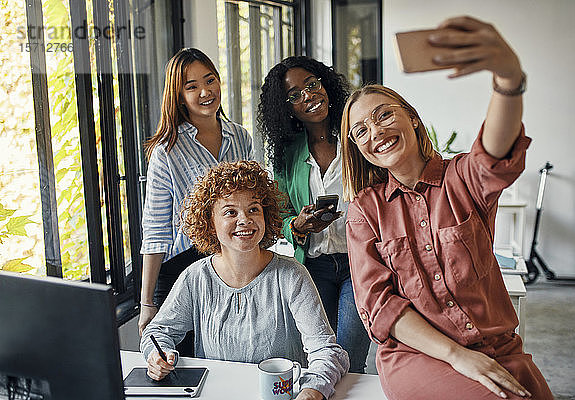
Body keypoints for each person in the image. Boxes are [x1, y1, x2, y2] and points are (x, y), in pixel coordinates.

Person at [340, 16, 553, 400]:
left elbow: (495, 152)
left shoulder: (462, 179)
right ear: (358, 149)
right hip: (419, 356)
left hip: (498, 347)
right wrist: (458, 356)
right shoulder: (365, 212)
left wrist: (508, 79)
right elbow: (381, 306)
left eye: (384, 115)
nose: (376, 132)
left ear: (413, 120)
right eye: (361, 131)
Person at [141, 161, 349, 400]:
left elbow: (327, 351)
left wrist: (312, 392)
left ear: (266, 215)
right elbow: (156, 333)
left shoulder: (292, 275)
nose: (245, 220)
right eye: (230, 212)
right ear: (210, 222)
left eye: (253, 210)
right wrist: (157, 356)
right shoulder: (195, 277)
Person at [257, 56, 371, 373]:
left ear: (324, 84)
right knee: (319, 357)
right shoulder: (286, 152)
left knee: (350, 357)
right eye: (294, 95)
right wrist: (299, 224)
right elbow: (279, 215)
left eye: (312, 84)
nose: (308, 95)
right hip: (313, 267)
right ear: (286, 108)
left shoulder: (356, 137)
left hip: (358, 264)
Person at [139, 48, 254, 351]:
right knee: (181, 361)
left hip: (231, 262)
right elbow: (155, 229)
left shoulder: (240, 137)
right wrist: (147, 302)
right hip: (181, 267)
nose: (205, 91)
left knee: (228, 352)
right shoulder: (167, 151)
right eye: (191, 86)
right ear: (178, 95)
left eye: (210, 80)